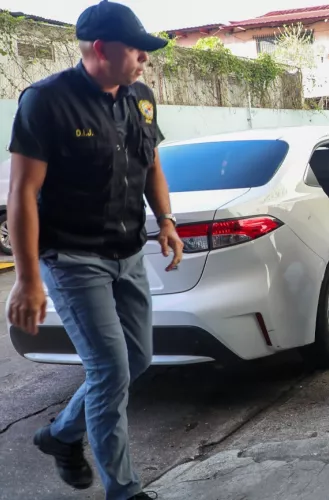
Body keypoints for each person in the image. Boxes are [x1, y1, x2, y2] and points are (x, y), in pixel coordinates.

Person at [6, 2, 182, 499]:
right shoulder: (46, 101)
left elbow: (152, 167)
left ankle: (61, 435)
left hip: (128, 252)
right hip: (73, 256)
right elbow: (21, 192)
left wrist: (165, 221)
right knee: (109, 369)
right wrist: (27, 278)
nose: (145, 60)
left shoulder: (141, 99)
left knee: (139, 359)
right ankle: (123, 491)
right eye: (137, 50)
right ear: (101, 49)